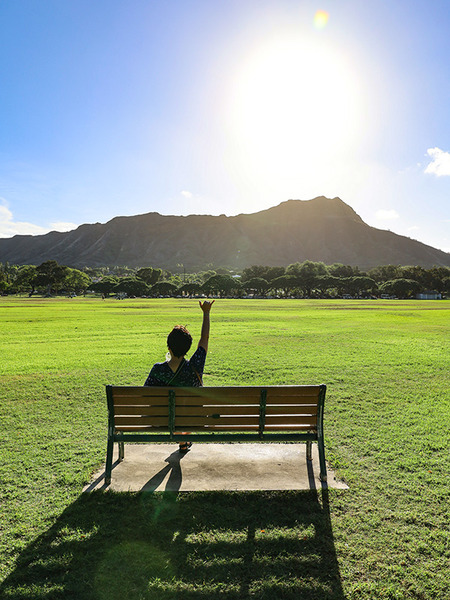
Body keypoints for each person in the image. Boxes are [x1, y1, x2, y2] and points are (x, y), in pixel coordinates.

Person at [144, 300, 214, 452]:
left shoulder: (157, 369)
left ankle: (182, 440)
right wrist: (206, 313)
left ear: (169, 347)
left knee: (173, 414)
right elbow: (205, 338)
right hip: (194, 419)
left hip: (162, 421)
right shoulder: (195, 365)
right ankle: (184, 440)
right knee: (187, 413)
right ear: (189, 348)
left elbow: (146, 395)